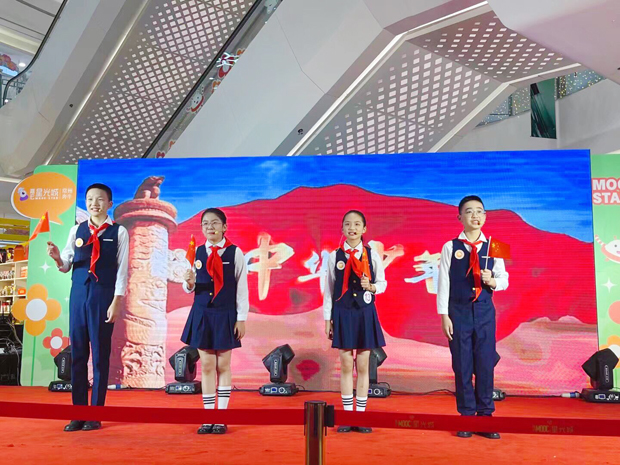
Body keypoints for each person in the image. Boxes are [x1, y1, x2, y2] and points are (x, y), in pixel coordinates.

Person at [47, 183, 129, 432]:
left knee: (100, 357)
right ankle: (78, 414)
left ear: (109, 203)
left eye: (100, 199)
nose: (95, 203)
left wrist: (117, 301)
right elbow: (66, 264)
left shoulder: (119, 232)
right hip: (79, 295)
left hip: (103, 296)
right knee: (78, 355)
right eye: (90, 199)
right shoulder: (77, 230)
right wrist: (57, 258)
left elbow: (122, 270)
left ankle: (95, 415)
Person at [437, 195, 509, 439]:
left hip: (485, 311)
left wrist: (493, 281)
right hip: (458, 313)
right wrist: (444, 316)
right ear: (460, 217)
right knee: (462, 364)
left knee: (485, 363)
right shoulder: (450, 247)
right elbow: (443, 284)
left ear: (485, 216)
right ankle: (467, 416)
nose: (475, 215)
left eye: (479, 211)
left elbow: (505, 279)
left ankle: (485, 416)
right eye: (469, 211)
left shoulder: (496, 245)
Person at [181, 208, 248, 435]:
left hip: (226, 313)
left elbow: (242, 288)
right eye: (205, 224)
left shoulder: (235, 253)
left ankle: (221, 417)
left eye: (215, 223)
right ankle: (208, 417)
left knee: (223, 365)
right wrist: (189, 283)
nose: (210, 227)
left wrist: (241, 319)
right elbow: (189, 287)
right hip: (203, 314)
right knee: (207, 366)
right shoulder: (196, 252)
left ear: (224, 227)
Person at [323, 210, 387, 434]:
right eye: (348, 224)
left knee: (363, 365)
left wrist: (373, 287)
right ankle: (347, 415)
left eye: (357, 224)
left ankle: (360, 416)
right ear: (342, 229)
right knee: (345, 365)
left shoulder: (372, 255)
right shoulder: (335, 256)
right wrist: (328, 319)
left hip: (364, 312)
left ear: (364, 229)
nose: (352, 228)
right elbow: (329, 290)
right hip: (342, 313)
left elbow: (383, 283)